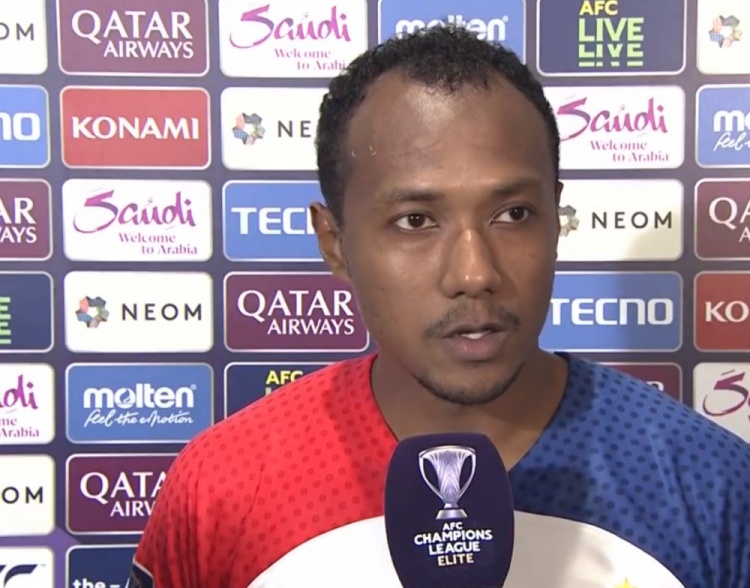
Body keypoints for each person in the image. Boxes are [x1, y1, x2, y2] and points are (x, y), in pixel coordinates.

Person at [128, 25, 750, 588]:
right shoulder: (222, 488)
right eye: (415, 220)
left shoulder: (709, 483)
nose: (475, 273)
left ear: (555, 218)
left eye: (514, 214)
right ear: (335, 243)